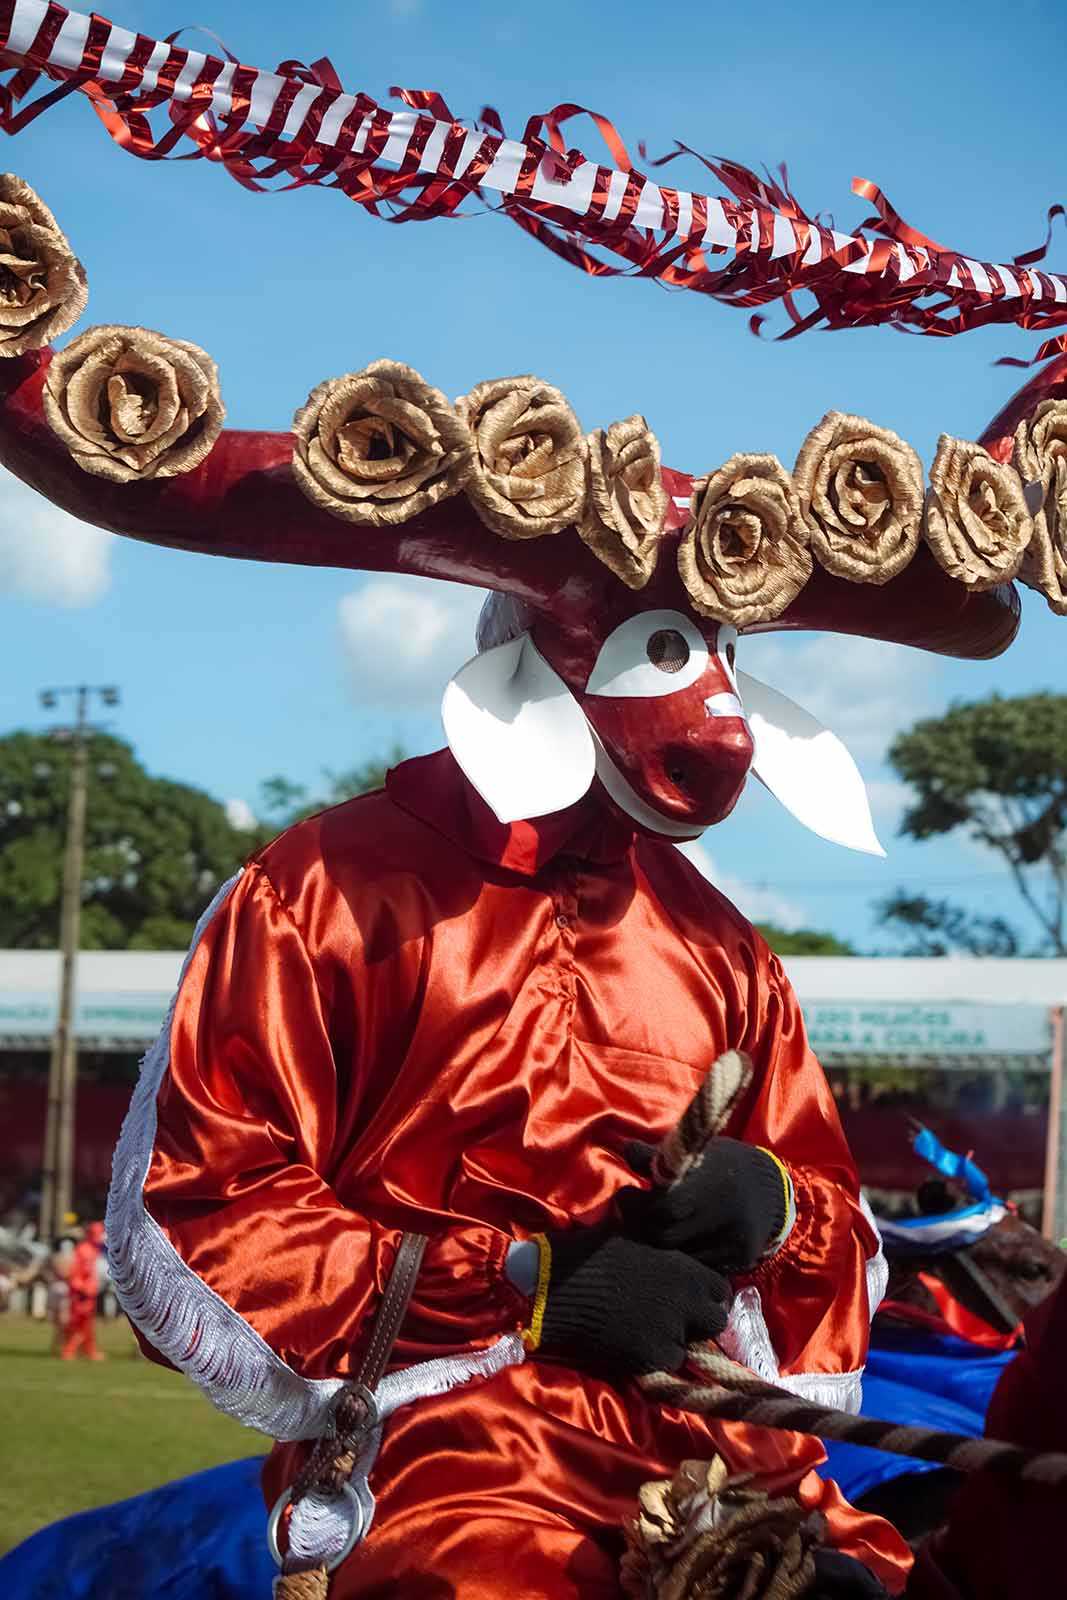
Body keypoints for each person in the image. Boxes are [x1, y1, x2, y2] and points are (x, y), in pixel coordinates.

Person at [0, 171, 1051, 1598]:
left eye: (719, 657)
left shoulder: (723, 947)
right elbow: (205, 1208)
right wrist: (519, 1291)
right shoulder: (322, 891)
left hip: (727, 1455)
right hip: (456, 1466)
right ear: (528, 667)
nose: (715, 718)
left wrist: (774, 1208)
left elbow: (823, 1237)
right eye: (654, 654)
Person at [60, 1221, 106, 1362]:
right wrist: (81, 1289)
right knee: (78, 1324)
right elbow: (76, 1273)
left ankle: (89, 1351)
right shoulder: (84, 1250)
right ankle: (69, 1351)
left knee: (87, 1325)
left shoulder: (92, 1250)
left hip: (88, 1291)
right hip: (82, 1293)